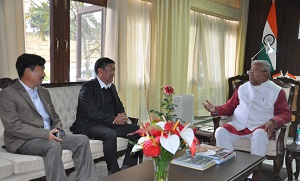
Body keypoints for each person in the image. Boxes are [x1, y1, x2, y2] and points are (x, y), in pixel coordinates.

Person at [0, 53, 97, 181]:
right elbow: (13, 126)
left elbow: (55, 117)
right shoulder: (8, 94)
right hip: (23, 141)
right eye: (41, 70)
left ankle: (87, 179)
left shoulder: (43, 91)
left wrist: (57, 130)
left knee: (82, 140)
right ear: (28, 72)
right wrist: (46, 134)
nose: (44, 74)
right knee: (52, 146)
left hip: (50, 135)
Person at [203, 60, 291, 157]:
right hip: (238, 125)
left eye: (255, 71)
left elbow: (285, 114)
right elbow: (230, 106)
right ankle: (231, 166)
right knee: (220, 131)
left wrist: (274, 121)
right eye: (250, 70)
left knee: (259, 135)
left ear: (266, 74)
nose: (251, 73)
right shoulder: (242, 88)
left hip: (260, 127)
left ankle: (254, 170)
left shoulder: (277, 91)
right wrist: (215, 109)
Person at [70, 57, 140, 175]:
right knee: (109, 134)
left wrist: (122, 115)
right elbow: (91, 112)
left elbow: (119, 104)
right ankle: (113, 171)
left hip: (110, 123)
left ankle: (128, 165)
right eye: (110, 70)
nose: (113, 73)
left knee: (138, 130)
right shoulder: (88, 87)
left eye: (114, 70)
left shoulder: (111, 86)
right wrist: (113, 119)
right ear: (100, 71)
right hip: (90, 124)